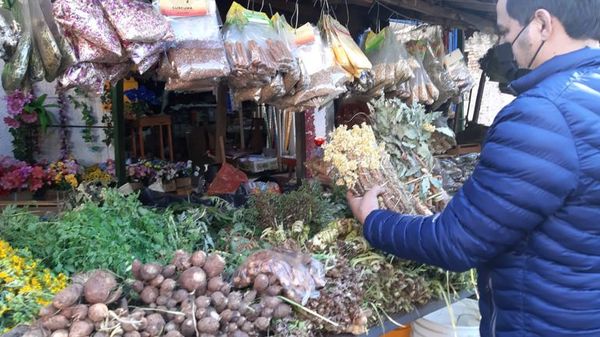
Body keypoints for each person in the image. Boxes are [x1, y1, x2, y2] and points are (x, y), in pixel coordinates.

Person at [347, 1, 600, 336]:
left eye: (506, 31)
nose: (505, 44)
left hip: (540, 323)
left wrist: (373, 219)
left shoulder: (543, 114)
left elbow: (457, 242)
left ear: (541, 24)